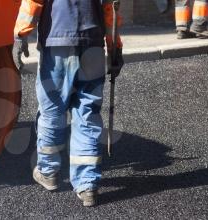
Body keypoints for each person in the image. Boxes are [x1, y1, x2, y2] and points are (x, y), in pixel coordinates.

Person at [12, 0, 124, 207]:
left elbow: (32, 2)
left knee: (53, 110)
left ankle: (48, 171)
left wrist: (20, 35)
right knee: (88, 114)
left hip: (58, 43)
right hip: (92, 45)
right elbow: (111, 9)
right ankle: (87, 184)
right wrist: (115, 47)